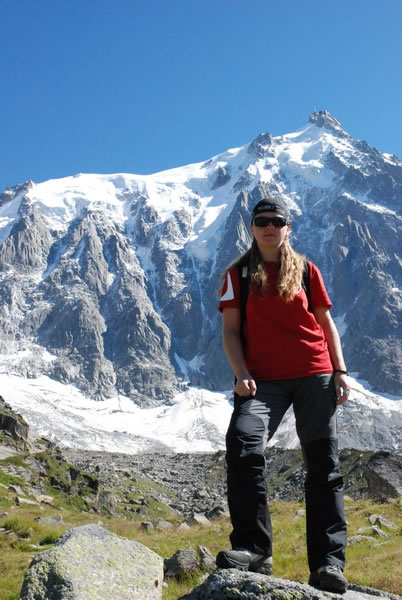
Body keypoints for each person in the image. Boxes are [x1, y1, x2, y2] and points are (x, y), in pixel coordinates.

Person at [216, 198, 351, 594]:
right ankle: (254, 549)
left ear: (287, 228)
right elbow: (230, 332)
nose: (270, 227)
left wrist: (339, 371)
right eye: (262, 221)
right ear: (252, 227)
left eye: (277, 221)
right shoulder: (237, 274)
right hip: (262, 382)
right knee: (242, 444)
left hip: (315, 372)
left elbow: (325, 322)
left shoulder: (307, 271)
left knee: (323, 464)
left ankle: (329, 564)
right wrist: (240, 373)